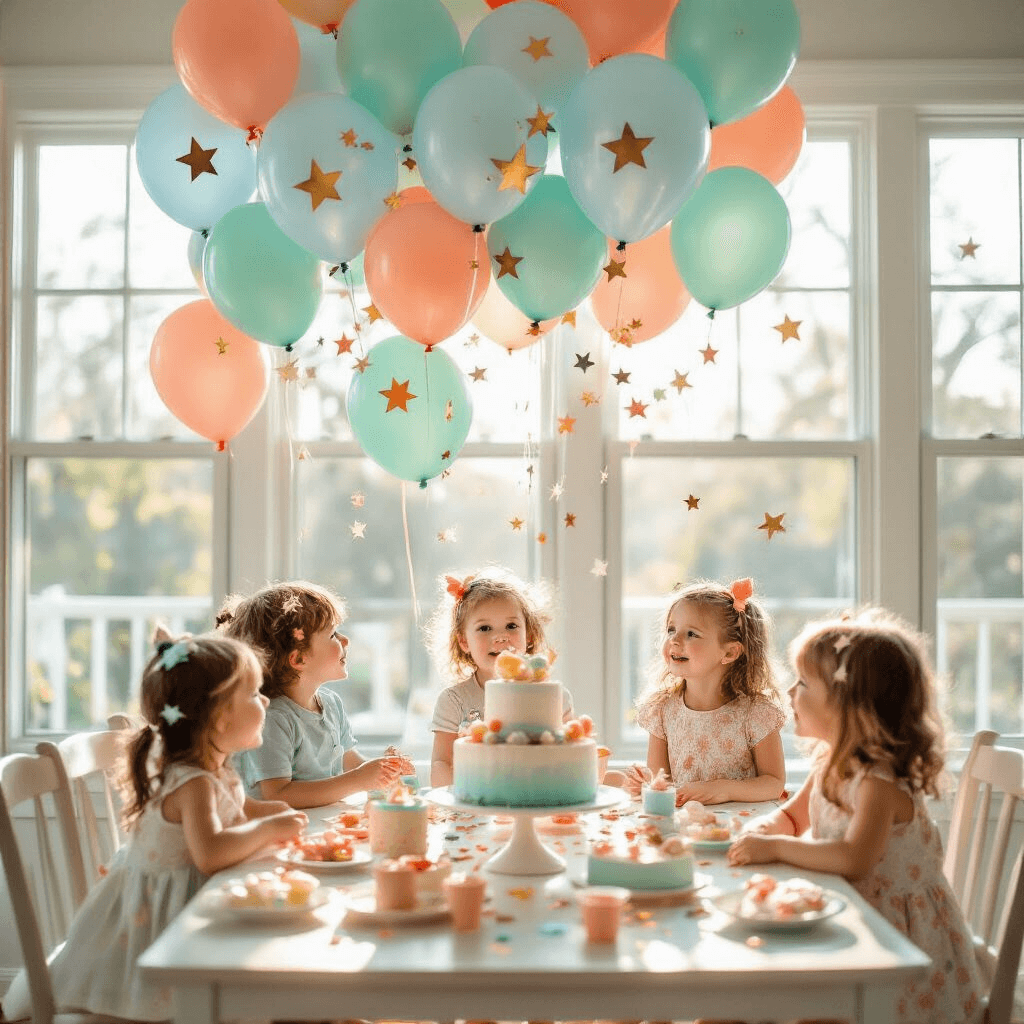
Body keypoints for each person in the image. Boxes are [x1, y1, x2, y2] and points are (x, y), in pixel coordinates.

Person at [3, 629, 309, 1022]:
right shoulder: (193, 781)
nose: (265, 700)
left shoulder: (215, 768)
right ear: (218, 718)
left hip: (186, 910)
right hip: (159, 933)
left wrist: (270, 814)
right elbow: (211, 854)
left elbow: (238, 807)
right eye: (253, 694)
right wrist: (267, 831)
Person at [728, 608, 985, 1024]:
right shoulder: (830, 762)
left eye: (804, 683)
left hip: (896, 941)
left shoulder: (877, 782)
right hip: (851, 912)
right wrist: (761, 830)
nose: (791, 692)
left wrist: (774, 847)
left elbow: (854, 858)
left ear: (850, 705)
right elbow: (793, 819)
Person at [217, 580, 410, 808]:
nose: (345, 640)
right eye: (333, 635)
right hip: (283, 829)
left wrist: (383, 770)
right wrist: (359, 780)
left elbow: (350, 762)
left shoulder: (331, 703)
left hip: (321, 823)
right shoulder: (273, 718)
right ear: (298, 659)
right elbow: (277, 794)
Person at [623, 578, 786, 804]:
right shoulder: (661, 710)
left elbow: (774, 783)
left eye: (691, 634)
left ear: (729, 652)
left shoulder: (756, 714)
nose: (675, 640)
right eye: (671, 630)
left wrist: (722, 790)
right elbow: (662, 782)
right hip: (686, 828)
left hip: (744, 829)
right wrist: (648, 786)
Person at [426, 567, 575, 787]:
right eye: (484, 628)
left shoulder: (552, 696)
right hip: (475, 804)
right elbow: (441, 763)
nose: (500, 637)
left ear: (529, 634)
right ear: (464, 641)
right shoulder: (454, 701)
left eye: (511, 626)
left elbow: (571, 756)